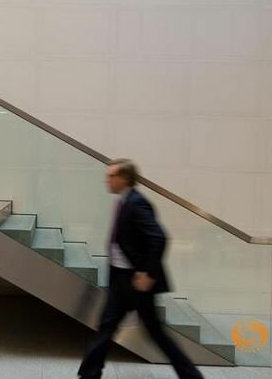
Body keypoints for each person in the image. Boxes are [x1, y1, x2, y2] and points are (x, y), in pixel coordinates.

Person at [76, 158, 204, 379]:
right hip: (120, 279)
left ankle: (191, 376)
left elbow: (159, 237)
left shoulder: (137, 203)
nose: (106, 180)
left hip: (136, 281)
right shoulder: (124, 201)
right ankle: (90, 373)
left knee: (155, 332)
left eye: (111, 176)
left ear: (124, 178)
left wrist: (147, 273)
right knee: (107, 326)